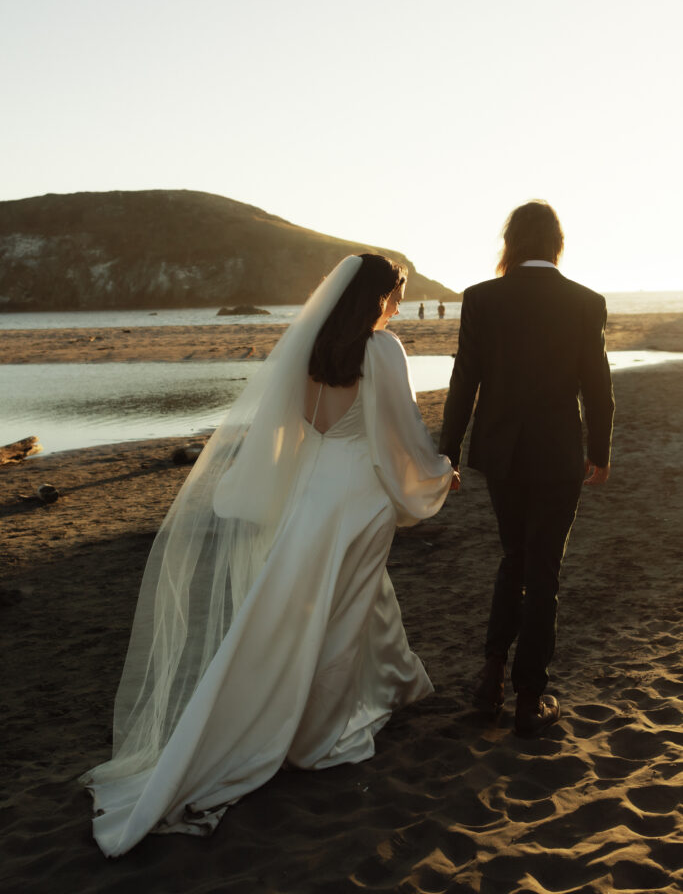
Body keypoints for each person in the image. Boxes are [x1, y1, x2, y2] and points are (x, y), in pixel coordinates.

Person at [81, 253, 454, 856]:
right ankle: (319, 738)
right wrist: (438, 474)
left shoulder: (309, 350)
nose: (398, 306)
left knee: (317, 602)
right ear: (374, 297)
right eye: (395, 294)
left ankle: (396, 679)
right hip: (361, 496)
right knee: (344, 611)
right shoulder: (383, 350)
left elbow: (295, 431)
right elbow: (403, 431)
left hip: (312, 493)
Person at [439, 201, 614, 737]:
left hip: (502, 454)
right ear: (557, 243)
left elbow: (464, 384)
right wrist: (599, 451)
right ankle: (529, 698)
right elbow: (597, 387)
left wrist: (447, 453)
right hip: (559, 454)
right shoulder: (585, 302)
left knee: (514, 557)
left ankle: (490, 681)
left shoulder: (481, 299)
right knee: (544, 573)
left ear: (509, 243)